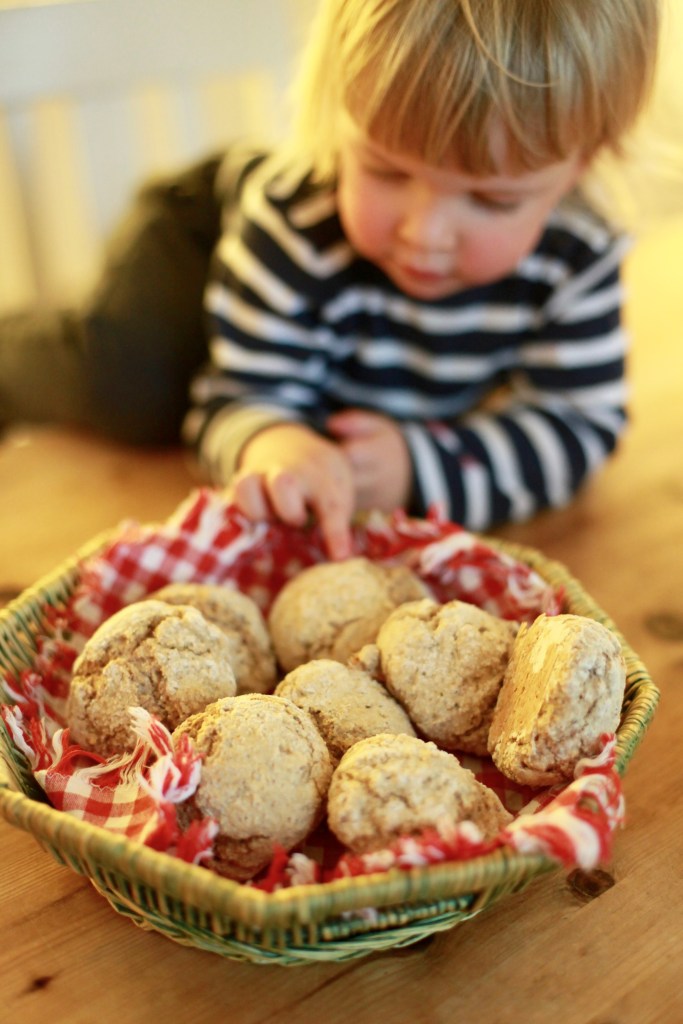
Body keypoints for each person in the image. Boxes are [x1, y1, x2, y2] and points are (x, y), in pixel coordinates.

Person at [183, 0, 660, 559]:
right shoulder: (291, 230)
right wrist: (272, 446)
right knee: (120, 379)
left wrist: (419, 468)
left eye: (492, 199)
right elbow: (235, 401)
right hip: (186, 237)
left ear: (582, 164)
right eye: (385, 171)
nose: (425, 233)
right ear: (340, 114)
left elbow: (579, 425)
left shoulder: (576, 255)